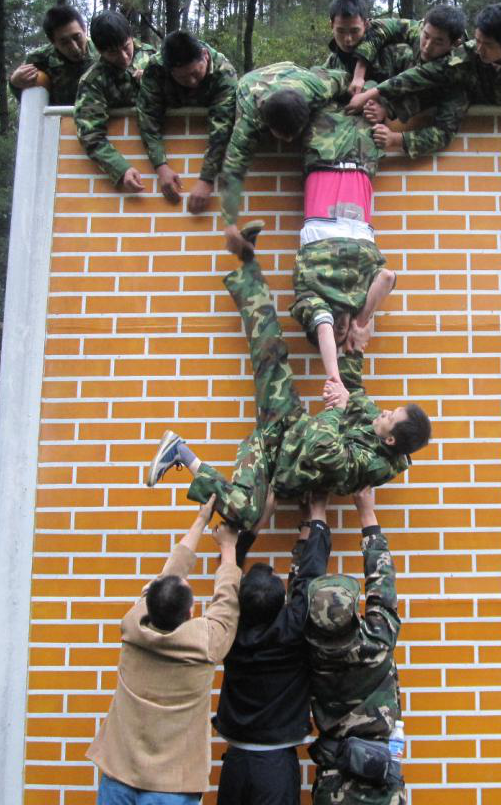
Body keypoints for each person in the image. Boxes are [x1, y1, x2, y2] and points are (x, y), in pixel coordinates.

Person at [143, 252, 431, 534]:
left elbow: (324, 448)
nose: (384, 411)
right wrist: (357, 342)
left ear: (391, 439)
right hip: (286, 424)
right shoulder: (374, 425)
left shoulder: (368, 467)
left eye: (390, 416)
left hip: (272, 461)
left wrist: (337, 409)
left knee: (243, 513)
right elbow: (353, 390)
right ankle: (248, 274)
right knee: (269, 357)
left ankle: (179, 451)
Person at [85, 495, 240, 804]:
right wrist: (228, 547)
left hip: (119, 773)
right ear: (188, 613)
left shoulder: (133, 626)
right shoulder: (206, 643)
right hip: (172, 788)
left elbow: (169, 575)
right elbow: (227, 602)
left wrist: (199, 520)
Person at [213, 498, 333, 805]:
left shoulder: (229, 631)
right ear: (282, 602)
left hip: (236, 761)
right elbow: (310, 579)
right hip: (276, 765)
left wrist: (255, 525)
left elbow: (227, 576)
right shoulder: (293, 630)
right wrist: (317, 515)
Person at [275, 104, 397, 389]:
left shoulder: (310, 298)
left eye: (335, 333)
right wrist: (361, 323)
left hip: (323, 178)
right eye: (342, 336)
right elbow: (387, 277)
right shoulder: (359, 299)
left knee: (328, 103)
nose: (340, 331)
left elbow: (324, 326)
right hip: (360, 173)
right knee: (368, 100)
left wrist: (334, 378)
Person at [348, 3, 501, 153]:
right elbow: (423, 75)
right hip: (470, 107)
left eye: (487, 45)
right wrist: (371, 94)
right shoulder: (466, 55)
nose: (479, 49)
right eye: (477, 40)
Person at [305, 488, 405, 805]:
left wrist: (312, 519)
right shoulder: (377, 640)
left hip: (332, 780)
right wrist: (367, 515)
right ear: (353, 614)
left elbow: (300, 590)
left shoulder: (306, 648)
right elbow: (382, 584)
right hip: (380, 778)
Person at [216, 62, 351, 231]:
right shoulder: (248, 122)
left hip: (292, 75)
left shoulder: (318, 88)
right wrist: (230, 225)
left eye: (294, 133)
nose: (288, 141)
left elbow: (345, 78)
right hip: (252, 83)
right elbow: (232, 171)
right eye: (282, 135)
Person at [136, 30, 239, 214]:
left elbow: (222, 130)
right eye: (182, 78)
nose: (192, 82)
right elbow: (148, 119)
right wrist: (161, 167)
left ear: (205, 56)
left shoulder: (224, 73)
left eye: (195, 73)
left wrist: (206, 180)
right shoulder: (155, 69)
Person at [350, 4, 469, 157]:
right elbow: (379, 26)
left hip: (407, 102)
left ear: (455, 44)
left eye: (438, 42)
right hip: (382, 79)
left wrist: (396, 139)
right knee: (397, 49)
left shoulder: (459, 75)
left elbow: (443, 133)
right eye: (426, 36)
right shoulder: (418, 29)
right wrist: (359, 73)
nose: (427, 46)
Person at [74, 10, 157, 192]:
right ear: (100, 51)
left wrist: (156, 84)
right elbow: (90, 134)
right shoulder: (93, 80)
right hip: (131, 155)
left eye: (126, 47)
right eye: (113, 53)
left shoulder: (153, 57)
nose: (124, 57)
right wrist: (121, 169)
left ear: (131, 37)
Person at [9, 5, 94, 106]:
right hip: (56, 117)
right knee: (37, 77)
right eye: (64, 42)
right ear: (53, 42)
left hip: (102, 114)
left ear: (84, 30)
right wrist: (15, 83)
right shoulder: (39, 59)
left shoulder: (103, 49)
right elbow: (26, 98)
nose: (74, 47)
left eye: (77, 37)